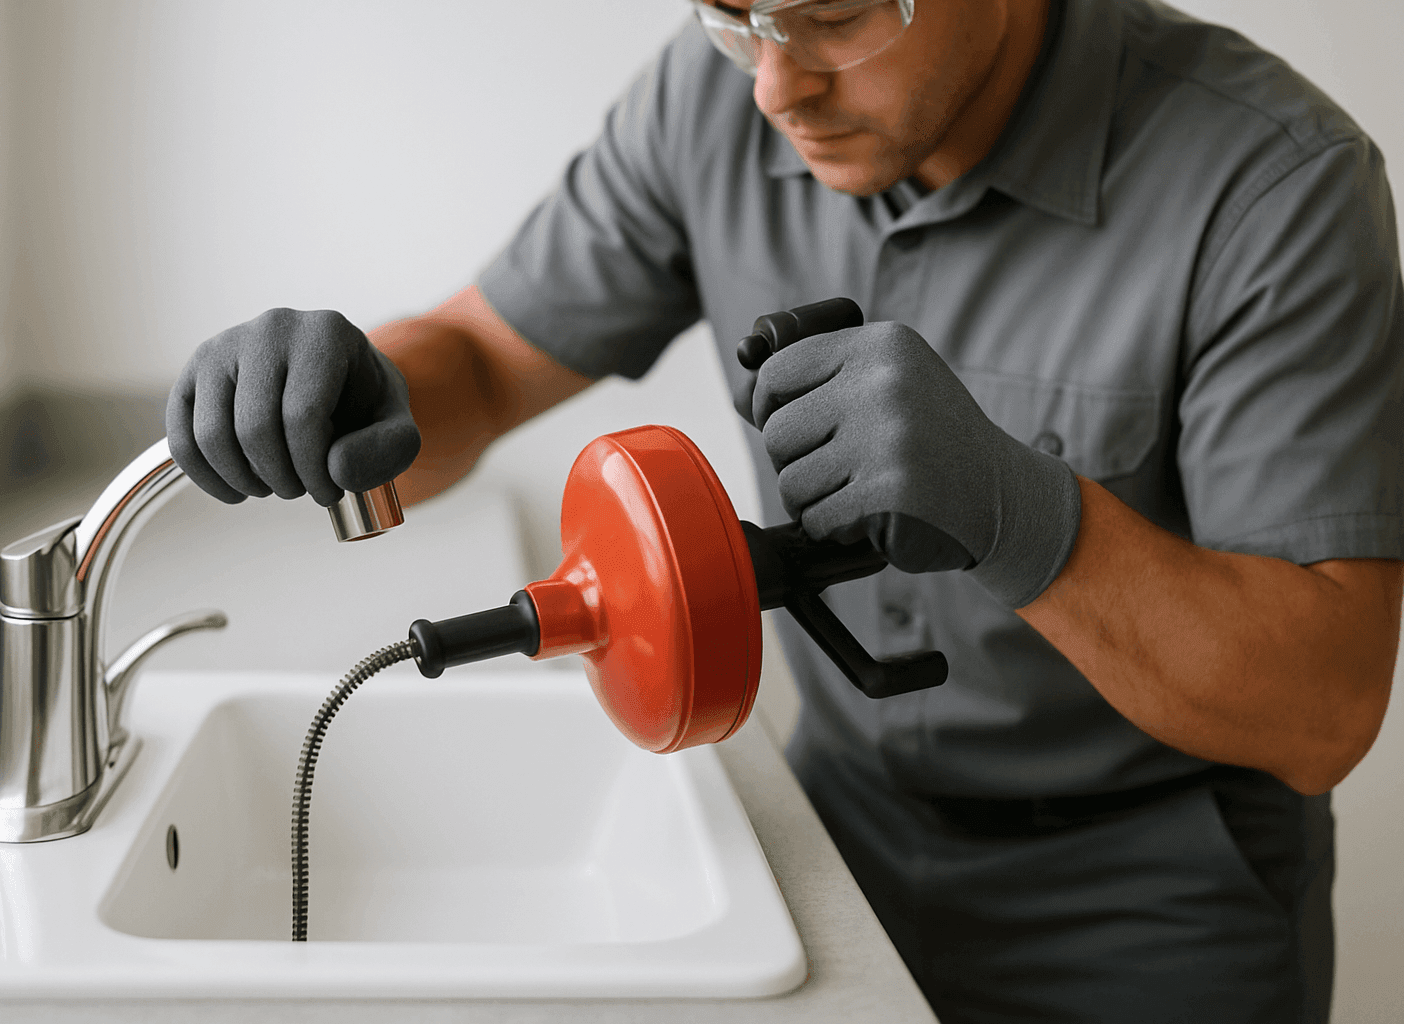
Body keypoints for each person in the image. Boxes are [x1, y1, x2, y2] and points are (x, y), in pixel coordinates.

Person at [166, 0, 1404, 1020]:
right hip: (830, 835)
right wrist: (363, 391)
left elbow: (1324, 709)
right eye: (729, 16)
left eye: (833, 17)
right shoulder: (710, 97)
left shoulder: (1276, 185)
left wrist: (1024, 512)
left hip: (1149, 902)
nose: (772, 87)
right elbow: (481, 367)